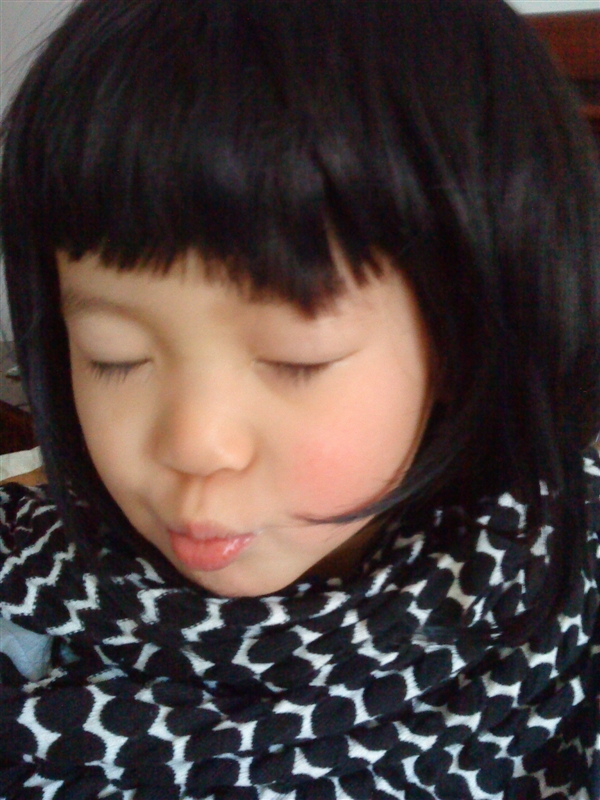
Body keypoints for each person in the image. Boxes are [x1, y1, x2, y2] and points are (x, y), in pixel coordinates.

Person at [1, 0, 599, 797]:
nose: (193, 443)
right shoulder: (31, 602)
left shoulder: (562, 596)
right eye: (116, 355)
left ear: (466, 339)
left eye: (296, 359)